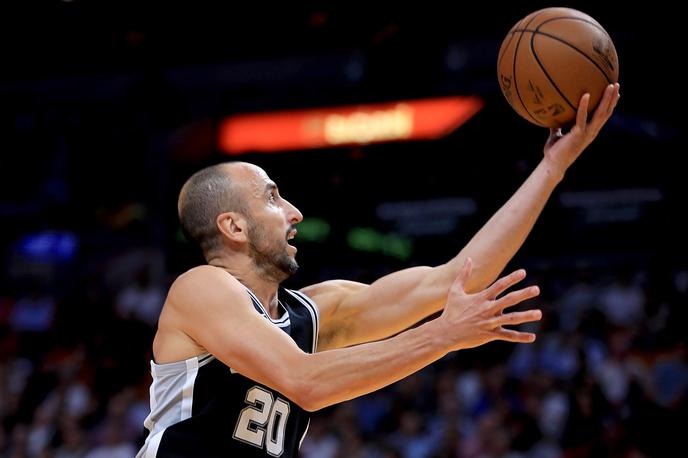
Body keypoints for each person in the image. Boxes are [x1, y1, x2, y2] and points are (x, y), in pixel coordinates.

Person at [136, 84, 620, 457]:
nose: (294, 211)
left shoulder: (314, 314)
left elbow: (456, 278)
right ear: (233, 226)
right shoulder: (200, 288)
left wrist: (553, 168)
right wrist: (443, 336)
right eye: (273, 197)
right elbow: (304, 382)